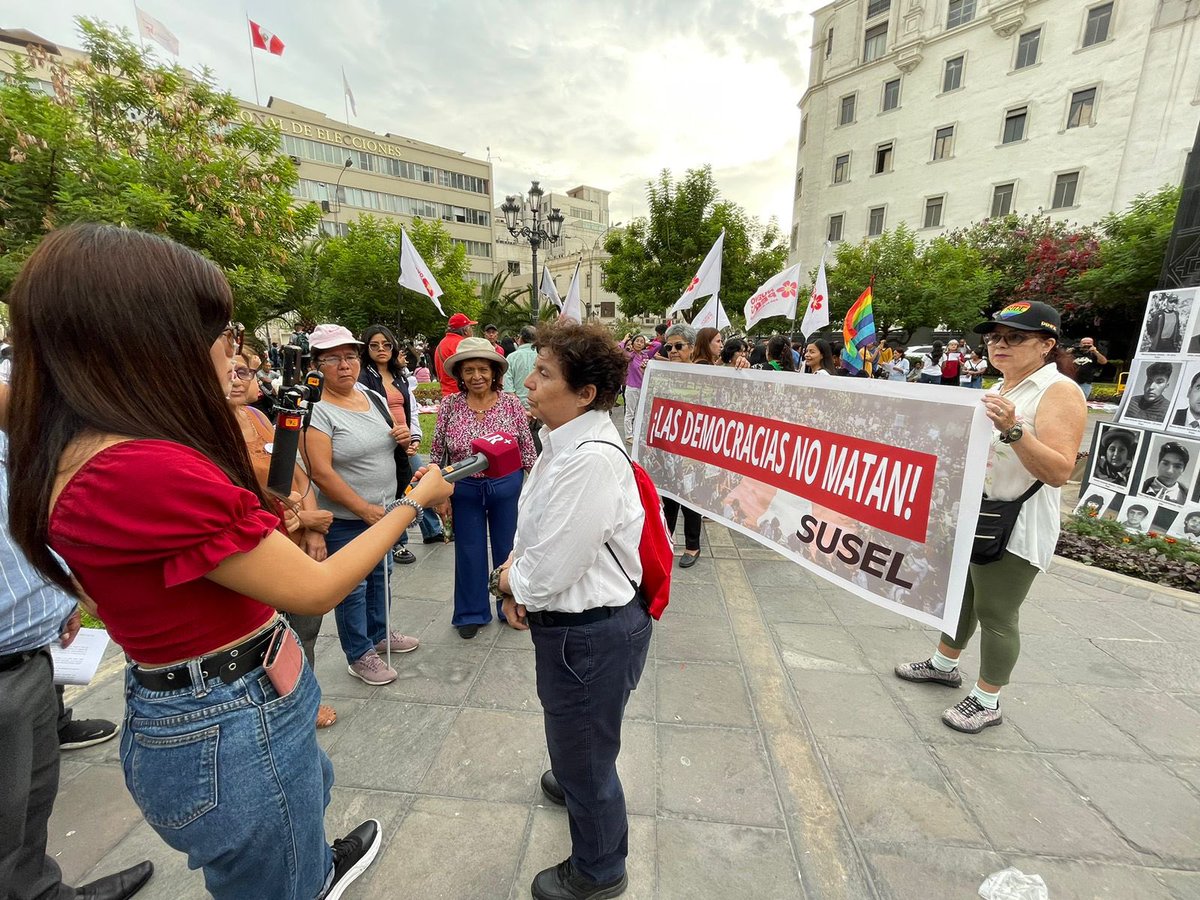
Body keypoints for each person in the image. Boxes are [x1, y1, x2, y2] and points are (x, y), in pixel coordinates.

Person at [5, 223, 453, 900]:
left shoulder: (75, 439)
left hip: (212, 706)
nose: (233, 351)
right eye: (215, 330)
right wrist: (413, 501)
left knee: (293, 826)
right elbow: (316, 587)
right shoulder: (139, 466)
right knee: (276, 873)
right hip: (228, 721)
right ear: (146, 339)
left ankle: (314, 863)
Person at [494, 323, 652, 900]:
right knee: (577, 731)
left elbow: (553, 567)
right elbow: (536, 533)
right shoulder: (560, 442)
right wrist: (520, 581)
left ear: (586, 393)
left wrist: (507, 582)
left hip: (591, 635)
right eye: (533, 369)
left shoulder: (588, 460)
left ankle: (599, 868)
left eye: (544, 374)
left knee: (587, 752)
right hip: (575, 628)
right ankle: (572, 775)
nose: (528, 384)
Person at [894, 300, 1085, 733]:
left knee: (997, 611)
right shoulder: (1003, 387)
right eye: (995, 336)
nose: (1000, 344)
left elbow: (1058, 471)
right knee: (961, 594)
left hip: (1016, 522)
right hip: (978, 512)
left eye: (1015, 337)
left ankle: (987, 699)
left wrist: (1015, 431)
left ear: (1046, 345)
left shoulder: (1057, 391)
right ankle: (945, 663)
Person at [0, 412, 155, 900]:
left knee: (29, 801)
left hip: (31, 658)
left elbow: (18, 532)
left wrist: (61, 598)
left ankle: (40, 890)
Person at [304, 324, 423, 685]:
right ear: (316, 365)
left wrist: (401, 438)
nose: (345, 365)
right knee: (352, 589)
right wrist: (362, 509)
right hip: (347, 517)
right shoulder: (317, 409)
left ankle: (380, 634)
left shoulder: (372, 397)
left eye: (351, 356)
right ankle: (359, 653)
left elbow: (386, 444)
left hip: (383, 511)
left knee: (381, 577)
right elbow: (321, 473)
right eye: (333, 358)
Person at [229, 348, 338, 728]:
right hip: (260, 550)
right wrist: (302, 517)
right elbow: (237, 507)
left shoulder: (259, 417)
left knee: (305, 629)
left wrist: (311, 528)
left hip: (297, 539)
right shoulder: (208, 435)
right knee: (267, 637)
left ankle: (304, 697)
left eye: (243, 369)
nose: (238, 377)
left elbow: (295, 473)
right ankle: (283, 707)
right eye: (230, 368)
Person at [432, 337, 536, 638]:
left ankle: (512, 604)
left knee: (509, 549)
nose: (476, 376)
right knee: (469, 550)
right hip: (464, 487)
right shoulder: (450, 405)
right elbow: (438, 450)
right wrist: (438, 491)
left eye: (482, 369)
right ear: (460, 375)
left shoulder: (511, 403)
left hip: (506, 485)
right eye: (469, 370)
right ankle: (470, 612)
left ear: (494, 372)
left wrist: (534, 488)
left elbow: (527, 448)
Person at [359, 324, 445, 553]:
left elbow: (412, 409)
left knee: (418, 483)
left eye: (386, 345)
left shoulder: (399, 376)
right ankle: (397, 542)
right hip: (382, 443)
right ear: (366, 348)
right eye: (374, 345)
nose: (381, 350)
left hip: (406, 442)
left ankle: (431, 530)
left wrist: (414, 438)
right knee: (394, 491)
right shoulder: (363, 378)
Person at [660, 324, 704, 568]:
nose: (673, 351)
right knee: (668, 500)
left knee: (690, 500)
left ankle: (692, 546)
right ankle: (666, 542)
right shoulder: (662, 374)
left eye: (678, 346)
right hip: (668, 448)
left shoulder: (706, 374)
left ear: (692, 348)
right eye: (669, 347)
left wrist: (742, 366)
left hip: (694, 451)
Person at [504, 325, 542, 453]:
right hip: (541, 410)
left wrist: (520, 410)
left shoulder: (511, 358)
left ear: (520, 339)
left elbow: (508, 388)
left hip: (518, 412)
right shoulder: (542, 357)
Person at [622, 332, 661, 445]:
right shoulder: (630, 355)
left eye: (641, 341)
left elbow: (658, 345)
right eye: (637, 341)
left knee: (640, 413)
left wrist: (648, 342)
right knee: (630, 413)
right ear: (633, 343)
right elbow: (619, 349)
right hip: (632, 387)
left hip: (642, 388)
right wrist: (625, 340)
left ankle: (636, 434)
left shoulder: (645, 355)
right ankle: (628, 436)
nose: (639, 343)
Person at [434, 312, 477, 397]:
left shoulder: (441, 344)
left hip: (447, 395)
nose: (472, 331)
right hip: (463, 395)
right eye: (470, 328)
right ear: (465, 331)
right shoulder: (462, 344)